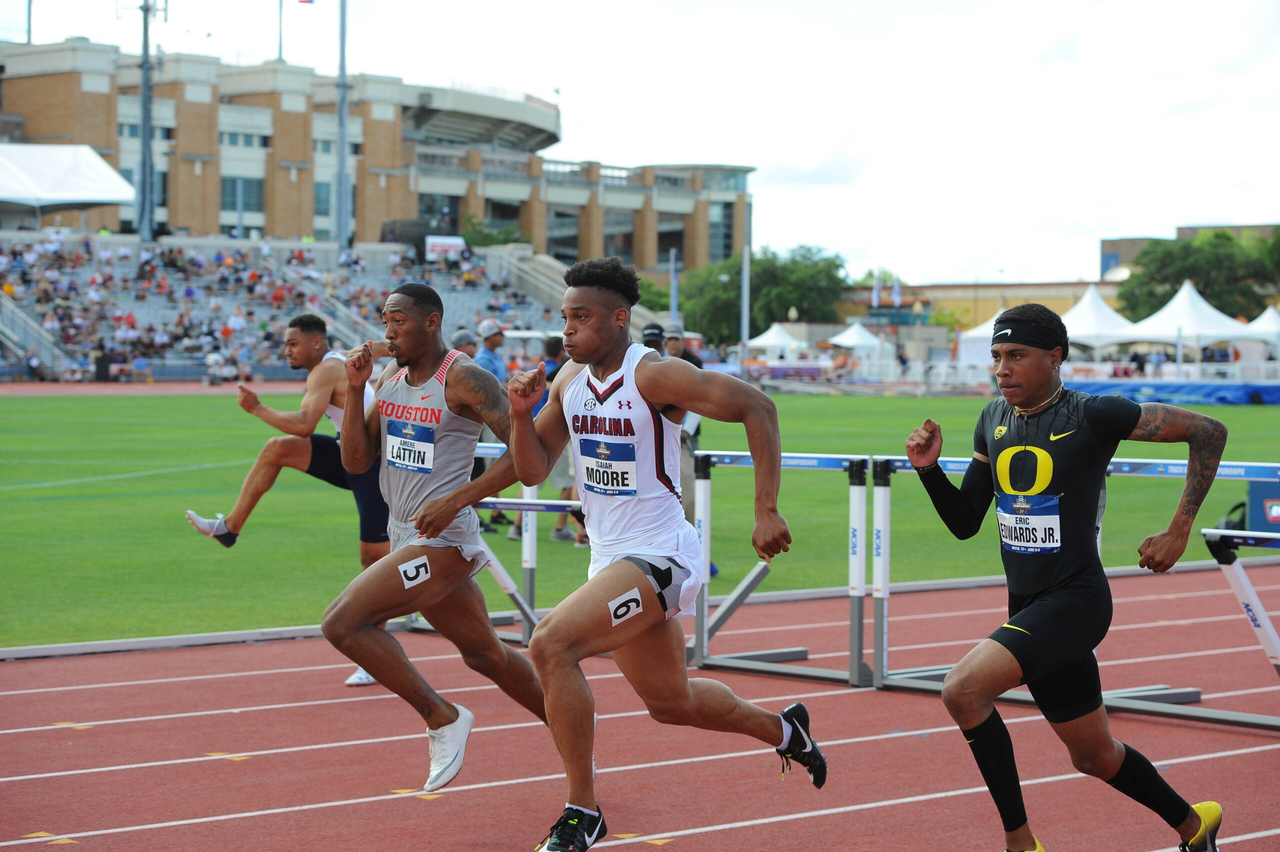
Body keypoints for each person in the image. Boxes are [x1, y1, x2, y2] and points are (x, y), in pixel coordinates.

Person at [503, 257, 825, 851]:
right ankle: (786, 731)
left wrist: (766, 508)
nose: (568, 329)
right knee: (671, 703)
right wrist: (521, 418)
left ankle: (583, 811)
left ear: (619, 318)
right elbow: (531, 469)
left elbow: (760, 407)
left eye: (581, 317)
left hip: (662, 555)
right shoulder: (568, 383)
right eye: (565, 317)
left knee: (550, 644)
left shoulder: (653, 375)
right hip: (610, 560)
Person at [904, 303, 1227, 852]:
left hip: (1076, 601)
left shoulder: (1095, 414)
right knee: (1094, 757)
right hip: (1028, 606)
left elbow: (1208, 430)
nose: (1002, 368)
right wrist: (929, 469)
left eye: (1017, 356)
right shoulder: (992, 419)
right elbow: (964, 523)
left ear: (1055, 357)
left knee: (962, 690)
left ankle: (1020, 843)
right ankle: (1195, 825)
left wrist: (1179, 530)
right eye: (997, 357)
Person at [322, 282, 546, 793]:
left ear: (431, 321)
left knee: (343, 624)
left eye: (397, 320)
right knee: (485, 654)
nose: (387, 331)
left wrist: (458, 498)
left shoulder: (465, 378)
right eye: (383, 320)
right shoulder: (389, 375)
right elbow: (356, 461)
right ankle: (573, 728)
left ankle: (442, 716)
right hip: (405, 533)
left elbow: (528, 458)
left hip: (444, 541)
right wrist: (356, 389)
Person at [186, 314, 392, 687]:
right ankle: (229, 528)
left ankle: (378, 653)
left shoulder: (325, 372)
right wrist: (384, 348)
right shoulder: (340, 359)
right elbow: (380, 347)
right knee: (278, 450)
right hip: (351, 453)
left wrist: (256, 408)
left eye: (293, 344)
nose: (287, 351)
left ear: (316, 343)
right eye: (285, 344)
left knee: (374, 557)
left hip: (377, 464)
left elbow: (303, 425)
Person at [472, 318, 515, 529]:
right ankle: (477, 515)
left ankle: (495, 511)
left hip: (497, 415)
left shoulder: (492, 358)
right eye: (500, 333)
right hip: (490, 418)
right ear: (491, 336)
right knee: (488, 466)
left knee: (495, 462)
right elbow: (489, 389)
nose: (504, 336)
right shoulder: (483, 360)